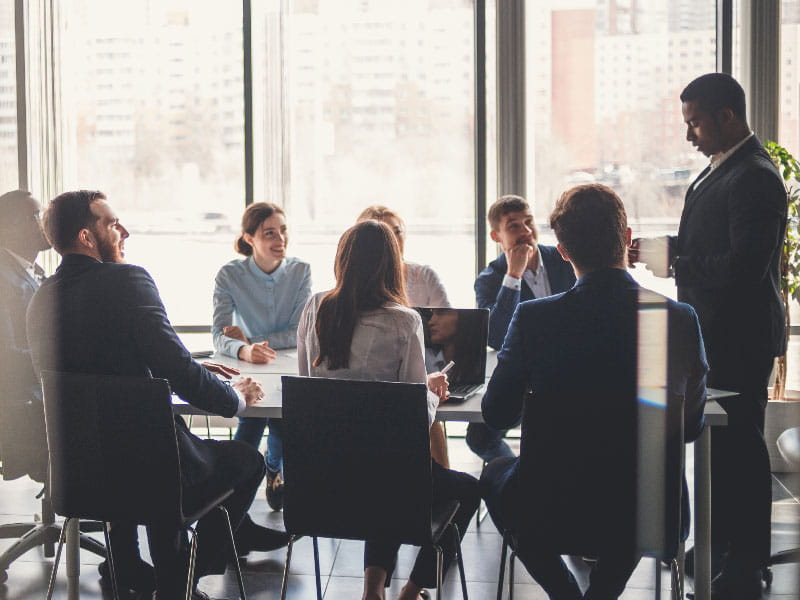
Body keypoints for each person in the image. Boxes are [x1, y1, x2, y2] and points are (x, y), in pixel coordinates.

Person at [26, 190, 290, 600]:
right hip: (152, 473)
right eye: (113, 224)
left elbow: (99, 367)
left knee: (146, 460)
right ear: (86, 237)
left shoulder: (42, 297)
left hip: (80, 476)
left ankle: (131, 567)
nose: (124, 230)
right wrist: (234, 398)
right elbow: (178, 372)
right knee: (247, 461)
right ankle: (182, 577)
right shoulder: (129, 280)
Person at [481, 184, 708, 600]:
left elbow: (496, 415)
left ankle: (566, 594)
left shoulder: (536, 319)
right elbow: (690, 425)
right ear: (626, 238)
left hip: (553, 506)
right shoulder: (677, 318)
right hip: (652, 511)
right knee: (635, 486)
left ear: (563, 251)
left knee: (494, 475)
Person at [632, 73, 787, 599]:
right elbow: (712, 241)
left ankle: (748, 562)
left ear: (727, 116)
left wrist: (678, 260)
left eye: (695, 122)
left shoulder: (756, 176)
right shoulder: (722, 170)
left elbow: (746, 266)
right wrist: (664, 248)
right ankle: (720, 545)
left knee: (742, 449)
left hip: (739, 339)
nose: (689, 134)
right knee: (721, 447)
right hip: (715, 333)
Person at [297, 220, 479, 600]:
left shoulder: (315, 308)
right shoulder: (403, 320)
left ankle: (372, 590)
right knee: (456, 487)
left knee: (385, 469)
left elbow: (306, 389)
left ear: (342, 260)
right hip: (388, 480)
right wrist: (430, 391)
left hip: (324, 483)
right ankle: (410, 592)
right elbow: (414, 418)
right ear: (391, 265)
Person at [213, 202, 311, 511]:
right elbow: (219, 335)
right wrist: (242, 350)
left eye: (283, 230)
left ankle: (267, 472)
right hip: (246, 365)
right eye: (269, 232)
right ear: (249, 238)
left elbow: (299, 331)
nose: (280, 239)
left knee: (283, 414)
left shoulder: (300, 271)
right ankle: (240, 490)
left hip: (289, 364)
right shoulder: (229, 274)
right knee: (253, 416)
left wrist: (250, 341)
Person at [468, 195, 576, 464]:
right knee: (480, 436)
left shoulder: (565, 260)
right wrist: (513, 277)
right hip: (522, 377)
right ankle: (519, 474)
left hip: (569, 372)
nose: (526, 231)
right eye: (514, 225)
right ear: (496, 235)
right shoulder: (489, 279)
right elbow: (494, 337)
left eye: (529, 222)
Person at [357, 205, 452, 467]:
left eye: (396, 231)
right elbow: (417, 407)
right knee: (426, 413)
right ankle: (432, 486)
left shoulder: (424, 275)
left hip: (426, 364)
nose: (391, 240)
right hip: (393, 393)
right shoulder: (404, 319)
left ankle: (434, 479)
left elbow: (447, 326)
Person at [0, 190, 51, 484]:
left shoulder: (30, 272)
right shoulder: (4, 280)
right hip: (23, 408)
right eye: (34, 217)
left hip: (38, 396)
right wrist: (61, 357)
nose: (43, 222)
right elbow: (6, 358)